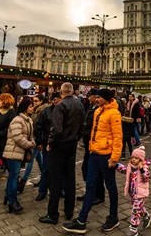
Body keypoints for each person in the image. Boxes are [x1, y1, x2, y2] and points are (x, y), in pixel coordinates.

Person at [62, 88, 122, 234]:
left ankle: (113, 216)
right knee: (90, 185)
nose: (96, 99)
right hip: (94, 153)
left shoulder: (114, 113)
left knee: (110, 186)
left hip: (106, 155)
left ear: (106, 99)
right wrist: (90, 148)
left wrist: (114, 158)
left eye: (99, 97)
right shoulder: (97, 111)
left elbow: (117, 137)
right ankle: (82, 220)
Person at [40, 83, 85, 224]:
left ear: (61, 92)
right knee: (70, 177)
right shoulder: (80, 105)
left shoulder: (60, 106)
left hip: (59, 146)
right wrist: (75, 138)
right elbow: (82, 127)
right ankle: (69, 211)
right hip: (71, 144)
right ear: (72, 91)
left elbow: (56, 129)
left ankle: (53, 214)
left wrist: (50, 144)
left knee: (56, 179)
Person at [2, 98, 36, 214]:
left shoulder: (28, 120)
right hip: (13, 152)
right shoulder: (17, 119)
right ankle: (12, 201)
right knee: (14, 176)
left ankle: (8, 196)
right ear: (25, 108)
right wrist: (29, 145)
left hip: (20, 153)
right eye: (30, 106)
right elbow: (17, 137)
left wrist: (33, 143)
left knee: (14, 176)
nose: (32, 108)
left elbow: (30, 135)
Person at [75, 89, 105, 205]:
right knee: (87, 169)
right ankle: (90, 192)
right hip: (89, 142)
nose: (89, 98)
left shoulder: (98, 109)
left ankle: (98, 195)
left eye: (90, 96)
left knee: (95, 171)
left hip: (95, 144)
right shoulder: (91, 107)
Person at [115, 146, 151, 236]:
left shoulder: (144, 168)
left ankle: (133, 229)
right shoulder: (130, 167)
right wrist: (116, 164)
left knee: (135, 210)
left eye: (136, 158)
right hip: (133, 193)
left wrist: (142, 169)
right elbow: (123, 169)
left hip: (140, 194)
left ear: (141, 160)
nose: (133, 160)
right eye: (132, 157)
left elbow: (146, 177)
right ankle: (146, 215)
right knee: (139, 208)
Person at [34, 92, 61, 201]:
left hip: (59, 144)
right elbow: (39, 126)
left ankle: (59, 190)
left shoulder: (64, 109)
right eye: (58, 99)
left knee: (59, 169)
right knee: (46, 169)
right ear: (54, 100)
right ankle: (42, 191)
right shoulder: (47, 111)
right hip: (47, 143)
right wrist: (39, 142)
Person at [19, 96, 46, 190]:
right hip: (34, 137)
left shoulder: (42, 111)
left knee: (30, 159)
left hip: (37, 139)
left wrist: (39, 140)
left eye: (36, 101)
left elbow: (40, 126)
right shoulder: (35, 110)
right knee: (39, 159)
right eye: (33, 101)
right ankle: (44, 177)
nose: (34, 102)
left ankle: (23, 181)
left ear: (41, 101)